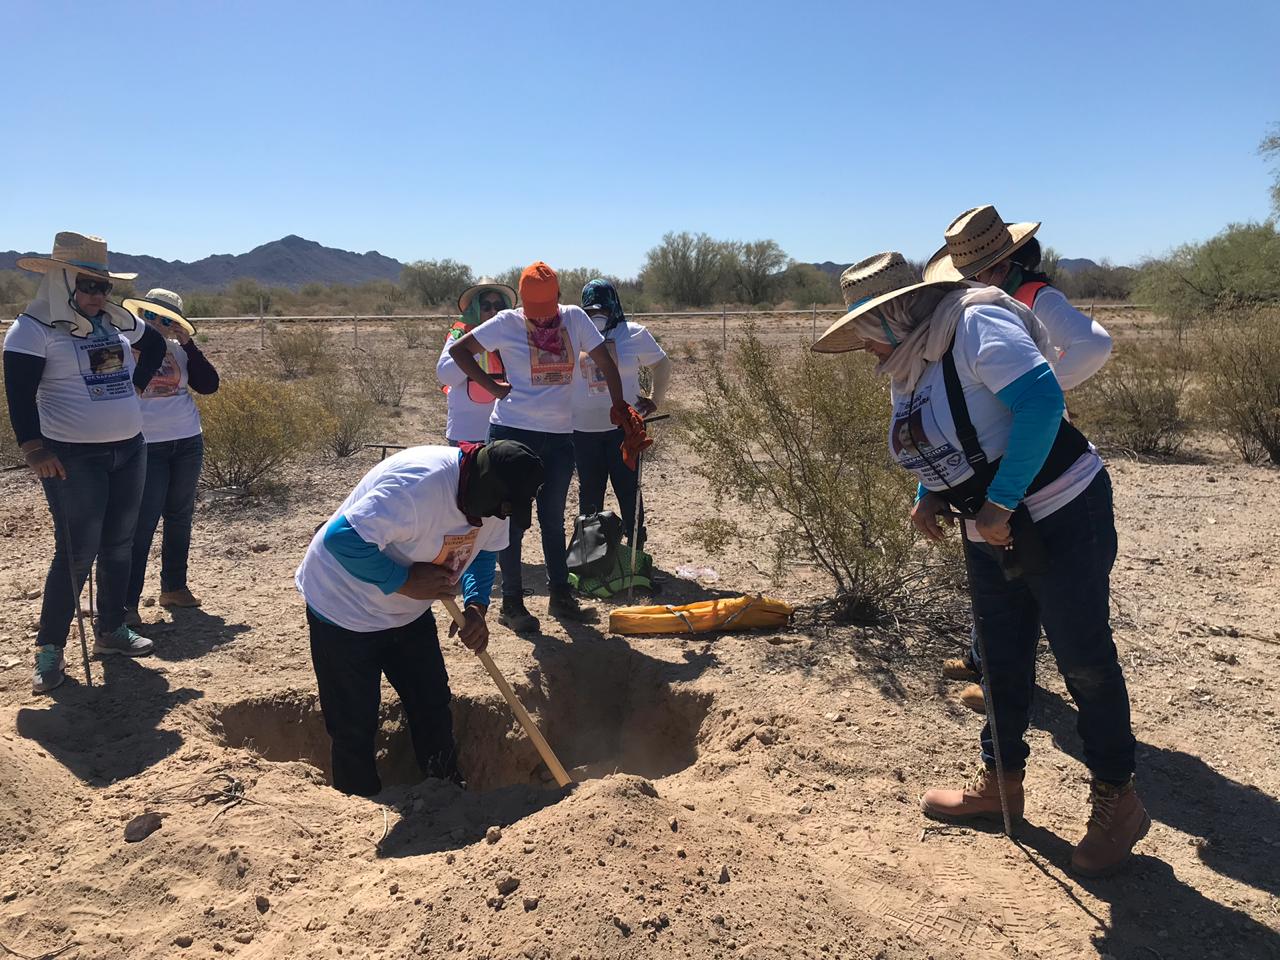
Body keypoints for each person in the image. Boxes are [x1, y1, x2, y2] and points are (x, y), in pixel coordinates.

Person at [812, 252, 1147, 877]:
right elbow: (942, 433)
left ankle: (1116, 801)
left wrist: (1000, 501)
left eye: (865, 322)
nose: (859, 340)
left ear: (899, 309)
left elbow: (1043, 404)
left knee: (1082, 659)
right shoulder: (910, 358)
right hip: (990, 521)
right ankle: (1001, 785)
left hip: (1059, 509)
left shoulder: (972, 326)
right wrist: (930, 493)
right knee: (998, 653)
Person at [924, 206, 1114, 711]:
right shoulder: (989, 303)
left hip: (1038, 452)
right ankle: (987, 665)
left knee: (1027, 565)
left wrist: (1033, 385)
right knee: (998, 563)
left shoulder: (1033, 296)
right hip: (1009, 447)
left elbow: (1093, 346)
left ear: (991, 266)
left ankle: (1008, 682)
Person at [295, 439, 544, 796]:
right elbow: (340, 539)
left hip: (409, 613)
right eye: (501, 507)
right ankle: (359, 801)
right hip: (344, 608)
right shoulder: (416, 488)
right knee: (354, 721)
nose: (501, 517)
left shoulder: (494, 504)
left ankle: (444, 788)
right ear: (484, 487)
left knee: (431, 702)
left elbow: (485, 553)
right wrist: (406, 580)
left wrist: (475, 607)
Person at [2, 232, 167, 693]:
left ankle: (111, 630)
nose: (98, 296)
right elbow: (18, 394)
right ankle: (49, 651)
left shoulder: (115, 321)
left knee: (120, 544)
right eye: (88, 286)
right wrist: (34, 449)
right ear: (62, 282)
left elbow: (153, 345)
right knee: (76, 553)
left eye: (104, 287)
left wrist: (135, 386)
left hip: (130, 448)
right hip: (73, 458)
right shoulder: (33, 329)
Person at [447, 262, 647, 634]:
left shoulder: (573, 319)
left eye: (547, 310)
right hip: (511, 433)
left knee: (552, 517)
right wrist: (492, 389)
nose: (541, 320)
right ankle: (512, 604)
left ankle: (560, 595)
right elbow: (460, 352)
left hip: (558, 436)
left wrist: (619, 406)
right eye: (534, 312)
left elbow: (604, 359)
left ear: (558, 297)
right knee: (509, 521)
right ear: (523, 301)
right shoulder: (507, 322)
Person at [120, 289, 220, 624]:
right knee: (143, 523)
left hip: (187, 441)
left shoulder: (179, 351)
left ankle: (174, 587)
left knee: (179, 517)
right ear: (140, 317)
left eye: (166, 320)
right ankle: (126, 603)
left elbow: (208, 385)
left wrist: (188, 345)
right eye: (150, 316)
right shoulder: (125, 348)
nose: (156, 324)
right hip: (146, 444)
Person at [572, 278, 671, 548]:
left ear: (614, 305)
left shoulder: (633, 333)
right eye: (590, 311)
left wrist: (655, 400)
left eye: (602, 309)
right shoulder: (573, 335)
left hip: (624, 428)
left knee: (628, 488)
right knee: (590, 492)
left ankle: (635, 546)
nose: (597, 315)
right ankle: (591, 550)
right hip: (583, 430)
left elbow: (662, 364)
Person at [435, 279, 517, 445]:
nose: (493, 311)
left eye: (499, 306)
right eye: (486, 306)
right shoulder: (460, 335)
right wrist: (476, 347)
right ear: (475, 309)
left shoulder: (512, 336)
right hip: (465, 435)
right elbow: (445, 375)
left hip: (502, 431)